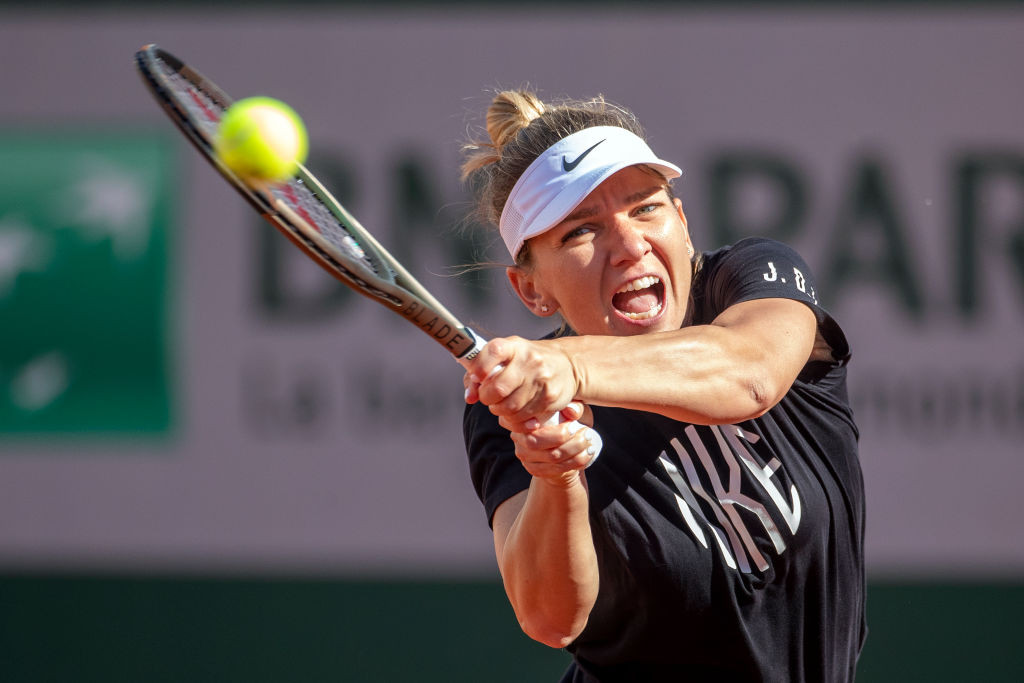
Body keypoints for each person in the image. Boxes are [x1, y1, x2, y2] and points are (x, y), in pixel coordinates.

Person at [459, 90, 866, 683]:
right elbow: (551, 618)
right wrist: (556, 477)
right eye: (580, 232)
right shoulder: (520, 407)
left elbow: (749, 373)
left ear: (682, 221)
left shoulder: (750, 279)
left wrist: (570, 365)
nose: (629, 245)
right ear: (532, 291)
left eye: (646, 208)